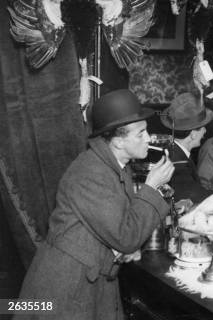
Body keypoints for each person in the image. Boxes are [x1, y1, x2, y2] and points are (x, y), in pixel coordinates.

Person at [19, 89, 174, 320]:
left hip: (89, 280)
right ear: (119, 141)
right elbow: (126, 236)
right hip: (62, 289)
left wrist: (120, 252)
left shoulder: (116, 166)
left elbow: (113, 225)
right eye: (141, 133)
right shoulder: (90, 173)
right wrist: (151, 188)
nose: (149, 138)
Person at [161, 92, 213, 203]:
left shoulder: (175, 151)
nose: (205, 131)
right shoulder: (177, 162)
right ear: (193, 134)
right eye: (203, 127)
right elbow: (197, 196)